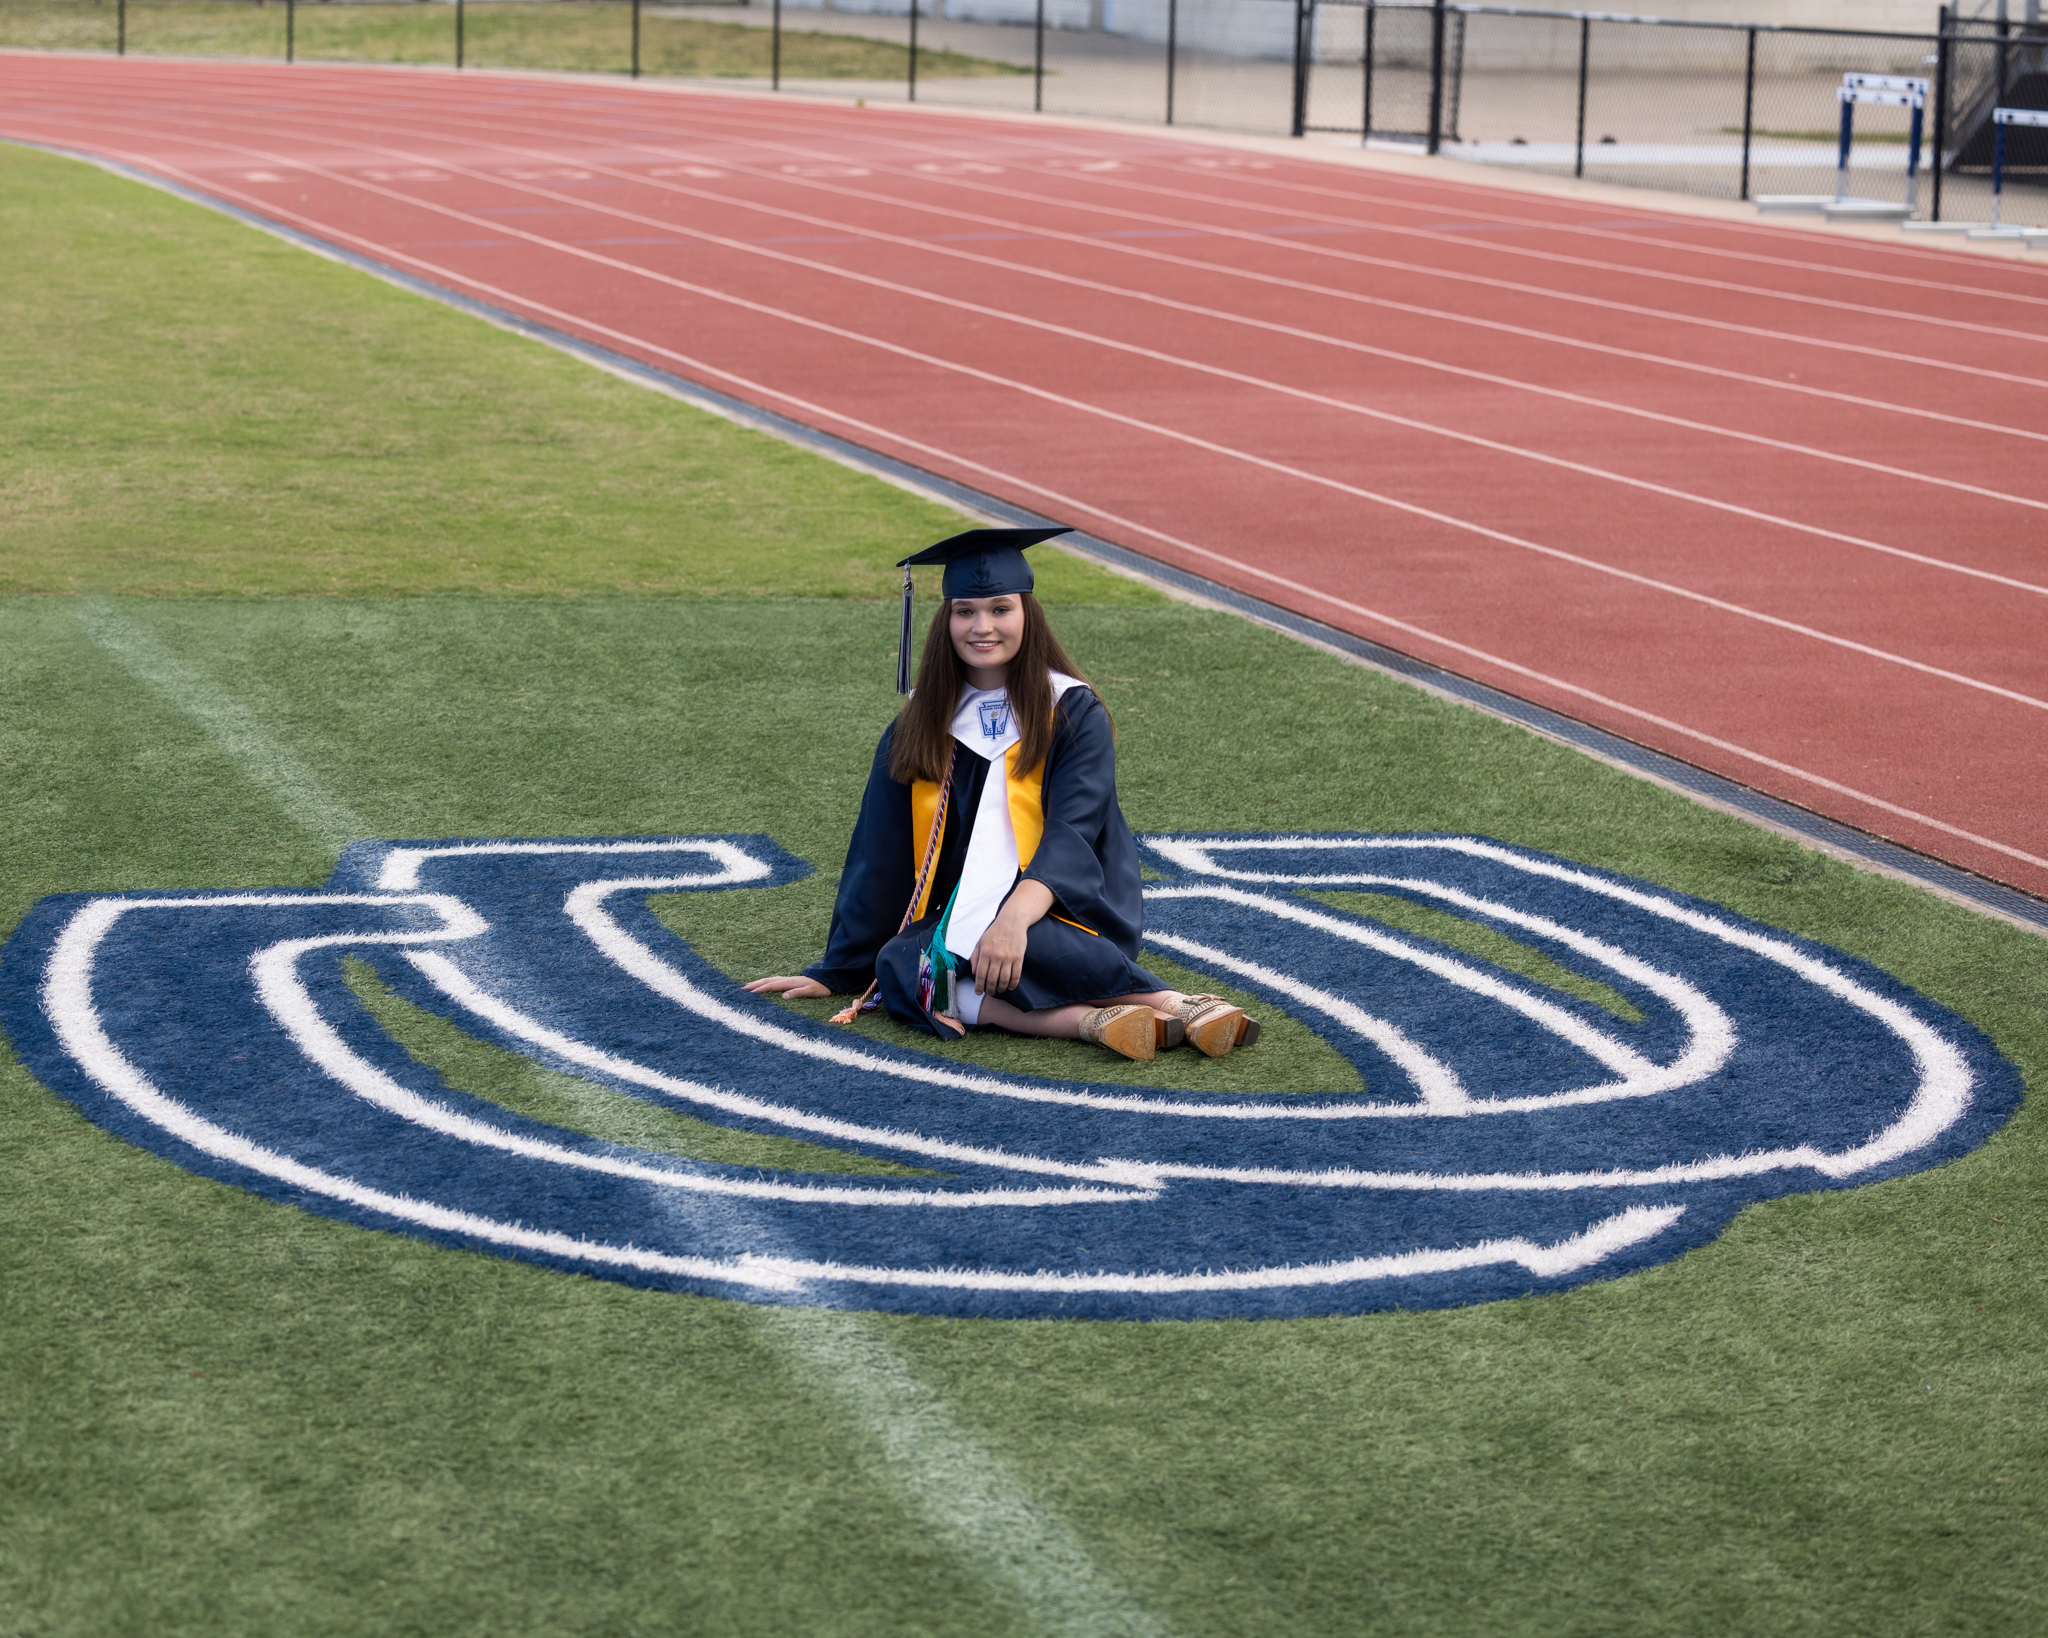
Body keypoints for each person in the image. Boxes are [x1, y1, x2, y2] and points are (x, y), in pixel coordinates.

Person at [745, 526, 1259, 1063]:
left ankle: (1174, 1002)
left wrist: (1012, 920)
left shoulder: (1071, 711)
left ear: (1027, 615)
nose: (982, 626)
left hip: (1062, 907)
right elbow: (883, 853)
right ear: (946, 620)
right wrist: (836, 971)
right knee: (900, 962)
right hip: (961, 911)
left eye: (1000, 609)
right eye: (965, 611)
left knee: (1011, 950)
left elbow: (1074, 831)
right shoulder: (922, 723)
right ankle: (1096, 1023)